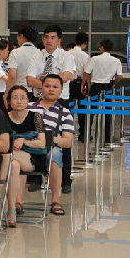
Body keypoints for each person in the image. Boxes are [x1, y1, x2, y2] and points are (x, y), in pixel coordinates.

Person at [28, 74, 74, 216]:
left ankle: (55, 200)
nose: (51, 89)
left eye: (55, 87)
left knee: (55, 153)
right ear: (41, 88)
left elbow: (68, 141)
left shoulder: (65, 113)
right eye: (47, 86)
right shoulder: (29, 107)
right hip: (28, 148)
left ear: (61, 90)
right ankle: (15, 202)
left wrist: (46, 140)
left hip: (49, 149)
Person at [5, 85, 47, 227]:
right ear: (9, 101)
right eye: (15, 98)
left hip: (33, 157)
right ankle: (13, 207)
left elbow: (42, 143)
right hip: (12, 158)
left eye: (22, 98)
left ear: (28, 100)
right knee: (14, 164)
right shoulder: (3, 117)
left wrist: (24, 141)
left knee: (10, 158)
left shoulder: (36, 117)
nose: (19, 101)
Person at [83, 39, 123, 143]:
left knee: (91, 112)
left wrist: (86, 85)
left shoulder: (94, 59)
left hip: (95, 87)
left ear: (102, 47)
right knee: (107, 113)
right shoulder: (116, 61)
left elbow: (86, 72)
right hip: (108, 87)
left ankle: (86, 135)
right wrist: (113, 84)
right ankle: (107, 138)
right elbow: (119, 76)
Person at [26, 25, 75, 101]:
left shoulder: (67, 56)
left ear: (58, 40)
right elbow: (30, 81)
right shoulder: (36, 56)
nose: (49, 41)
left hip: (60, 100)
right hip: (39, 99)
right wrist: (56, 81)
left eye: (52, 38)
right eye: (46, 37)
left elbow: (65, 77)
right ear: (42, 39)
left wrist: (41, 79)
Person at [6, 24, 40, 100]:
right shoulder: (40, 53)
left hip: (19, 92)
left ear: (21, 36)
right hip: (36, 92)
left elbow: (12, 76)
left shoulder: (15, 53)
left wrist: (7, 93)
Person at [69, 32, 91, 136]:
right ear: (85, 43)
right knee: (82, 109)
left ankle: (67, 131)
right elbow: (87, 73)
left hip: (68, 84)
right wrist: (86, 86)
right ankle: (83, 133)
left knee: (67, 108)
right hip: (80, 84)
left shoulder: (68, 53)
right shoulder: (85, 56)